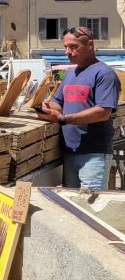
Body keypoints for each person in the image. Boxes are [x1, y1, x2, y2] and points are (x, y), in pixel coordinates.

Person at [37, 26, 121, 190]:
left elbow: (103, 112)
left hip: (94, 154)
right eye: (66, 47)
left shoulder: (104, 73)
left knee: (90, 207)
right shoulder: (70, 74)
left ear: (90, 45)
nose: (68, 52)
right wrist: (45, 107)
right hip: (70, 152)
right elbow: (58, 102)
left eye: (73, 47)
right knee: (72, 207)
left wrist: (63, 119)